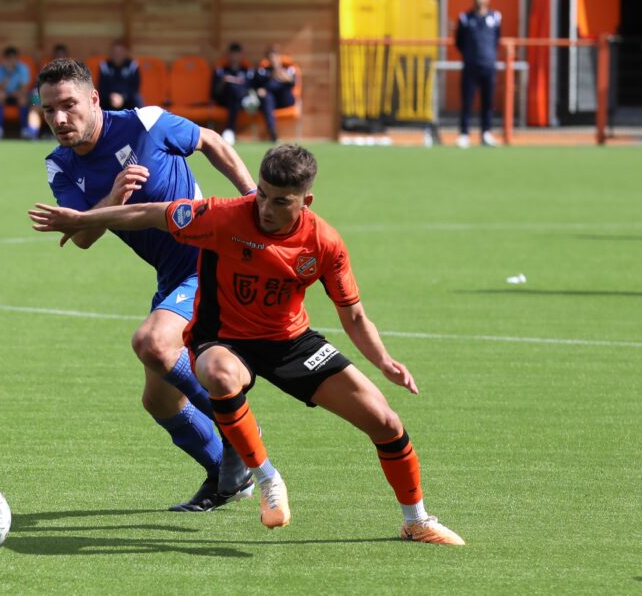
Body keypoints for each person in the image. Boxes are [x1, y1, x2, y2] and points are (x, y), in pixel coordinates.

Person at [29, 143, 465, 544]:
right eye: (262, 194)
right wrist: (85, 219)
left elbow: (353, 314)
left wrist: (384, 360)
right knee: (218, 374)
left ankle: (417, 520)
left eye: (281, 201)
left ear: (305, 202)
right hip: (225, 339)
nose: (266, 208)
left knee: (385, 422)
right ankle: (266, 478)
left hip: (291, 342)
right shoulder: (222, 216)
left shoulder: (325, 242)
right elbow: (148, 213)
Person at [36, 58, 258, 511]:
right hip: (173, 277)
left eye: (69, 105)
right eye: (48, 110)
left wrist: (253, 201)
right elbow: (81, 237)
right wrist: (111, 199)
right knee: (159, 401)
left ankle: (236, 433)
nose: (59, 119)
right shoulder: (59, 165)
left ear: (94, 99)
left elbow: (211, 141)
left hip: (211, 261)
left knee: (153, 343)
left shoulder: (146, 123)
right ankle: (227, 477)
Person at [455, 0, 501, 148]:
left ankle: (486, 133)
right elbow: (458, 42)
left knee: (488, 102)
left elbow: (497, 40)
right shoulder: (465, 18)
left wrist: (488, 56)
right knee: (467, 102)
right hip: (470, 67)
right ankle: (464, 133)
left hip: (488, 66)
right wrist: (470, 55)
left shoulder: (495, 17)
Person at [252, 44, 297, 144]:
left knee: (277, 87)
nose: (273, 59)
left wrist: (279, 73)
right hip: (270, 101)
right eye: (271, 56)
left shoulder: (288, 68)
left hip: (285, 99)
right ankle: (272, 132)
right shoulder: (263, 71)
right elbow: (256, 86)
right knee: (267, 97)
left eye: (275, 56)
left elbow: (292, 81)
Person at [212, 42, 251, 146]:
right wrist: (222, 82)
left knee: (236, 96)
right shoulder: (221, 70)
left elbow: (249, 88)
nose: (234, 57)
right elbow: (214, 93)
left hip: (239, 101)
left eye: (237, 54)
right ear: (228, 55)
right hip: (223, 100)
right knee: (233, 90)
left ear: (241, 55)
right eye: (232, 54)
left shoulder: (247, 71)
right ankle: (230, 131)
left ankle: (230, 131)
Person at [0, 46, 34, 140]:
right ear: (5, 59)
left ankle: (24, 130)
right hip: (4, 94)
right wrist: (8, 73)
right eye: (9, 58)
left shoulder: (23, 68)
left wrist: (14, 93)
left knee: (23, 98)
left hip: (18, 94)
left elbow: (23, 88)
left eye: (14, 58)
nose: (11, 60)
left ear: (17, 58)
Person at [98, 40, 142, 111]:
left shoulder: (133, 66)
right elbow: (102, 87)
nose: (117, 55)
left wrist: (122, 97)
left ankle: (138, 121)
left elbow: (135, 88)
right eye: (115, 52)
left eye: (120, 52)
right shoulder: (104, 66)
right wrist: (111, 97)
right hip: (109, 100)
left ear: (126, 52)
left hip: (127, 99)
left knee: (137, 98)